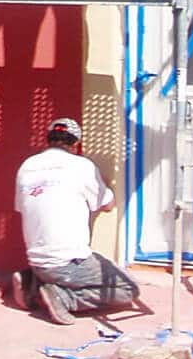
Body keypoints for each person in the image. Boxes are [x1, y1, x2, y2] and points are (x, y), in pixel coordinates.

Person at [12, 117, 140, 324]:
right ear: (75, 145)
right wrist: (104, 187)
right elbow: (107, 204)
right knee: (128, 289)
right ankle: (66, 299)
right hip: (69, 264)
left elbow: (24, 208)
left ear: (48, 140)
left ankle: (31, 282)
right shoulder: (81, 166)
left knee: (57, 272)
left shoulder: (27, 166)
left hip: (36, 261)